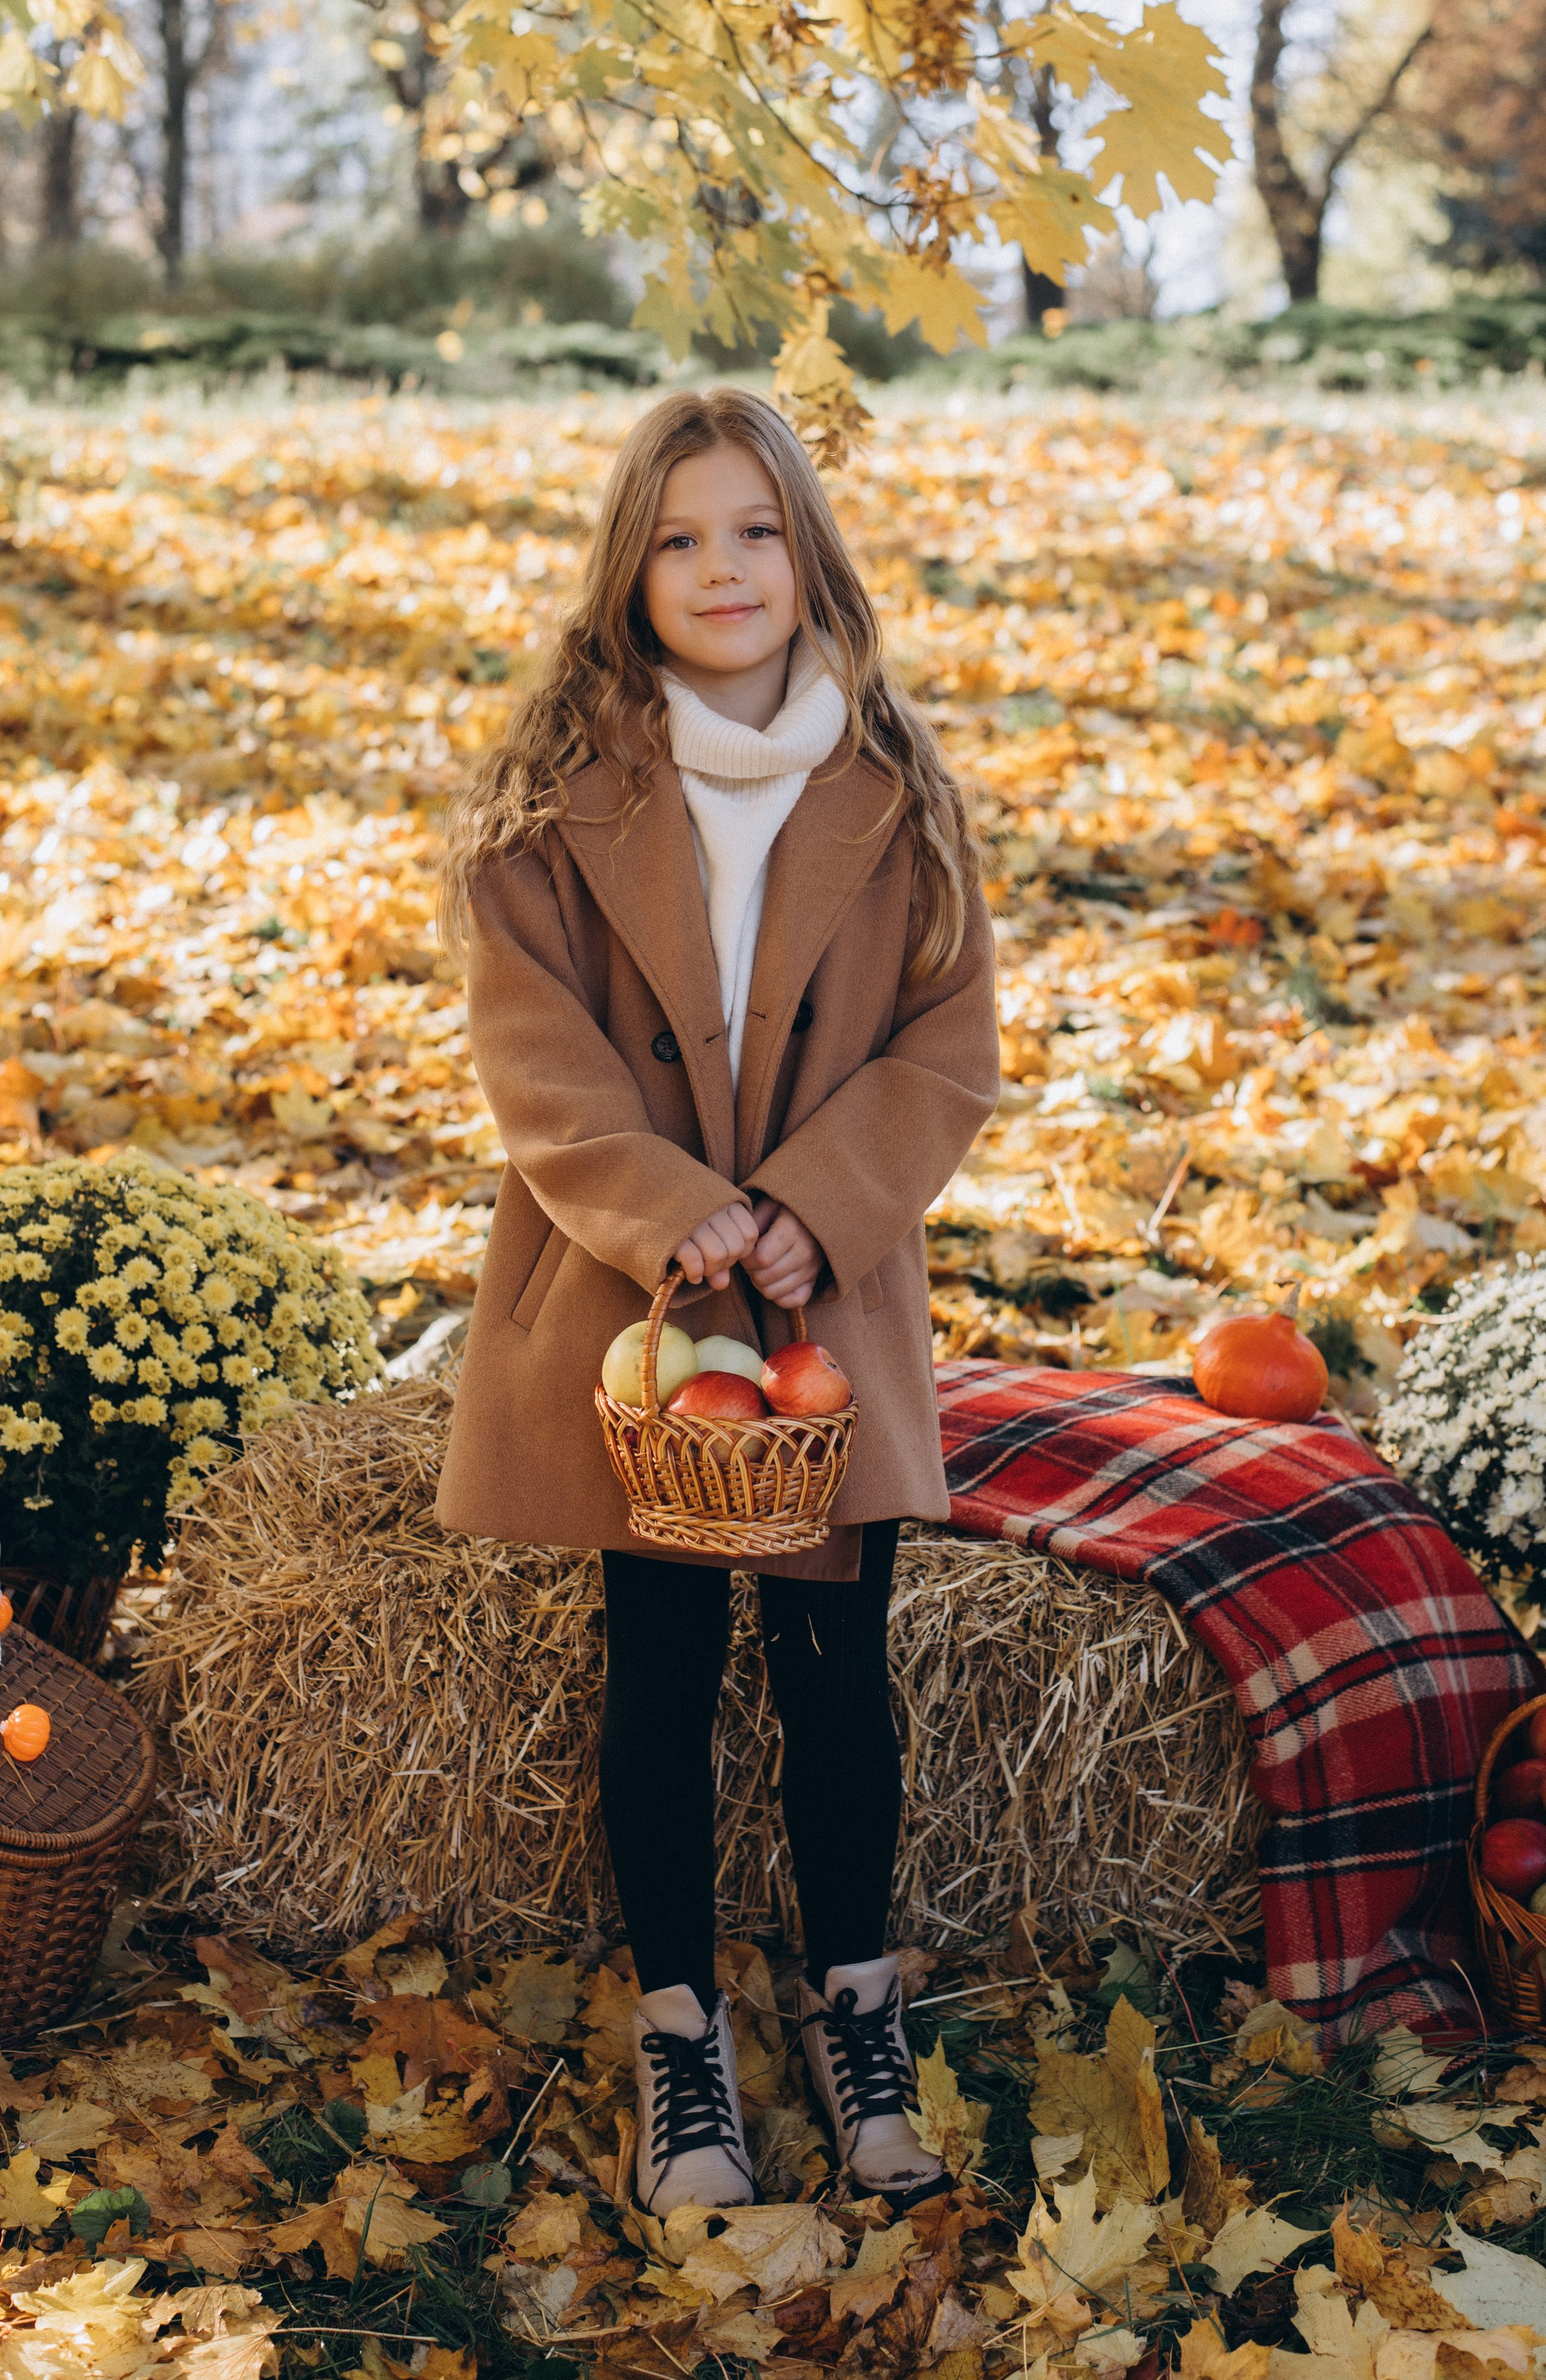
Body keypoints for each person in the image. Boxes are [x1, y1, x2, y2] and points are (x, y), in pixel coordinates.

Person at [437, 386, 1000, 2216]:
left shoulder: (895, 788)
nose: (721, 567)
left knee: (840, 1671)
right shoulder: (555, 792)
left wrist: (815, 1207)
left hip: (825, 1296)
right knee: (661, 1662)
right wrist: (674, 1209)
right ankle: (680, 2028)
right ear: (630, 572)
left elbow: (947, 1043)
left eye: (755, 528)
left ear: (807, 554)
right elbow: (532, 1048)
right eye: (677, 538)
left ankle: (856, 2010)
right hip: (641, 1298)